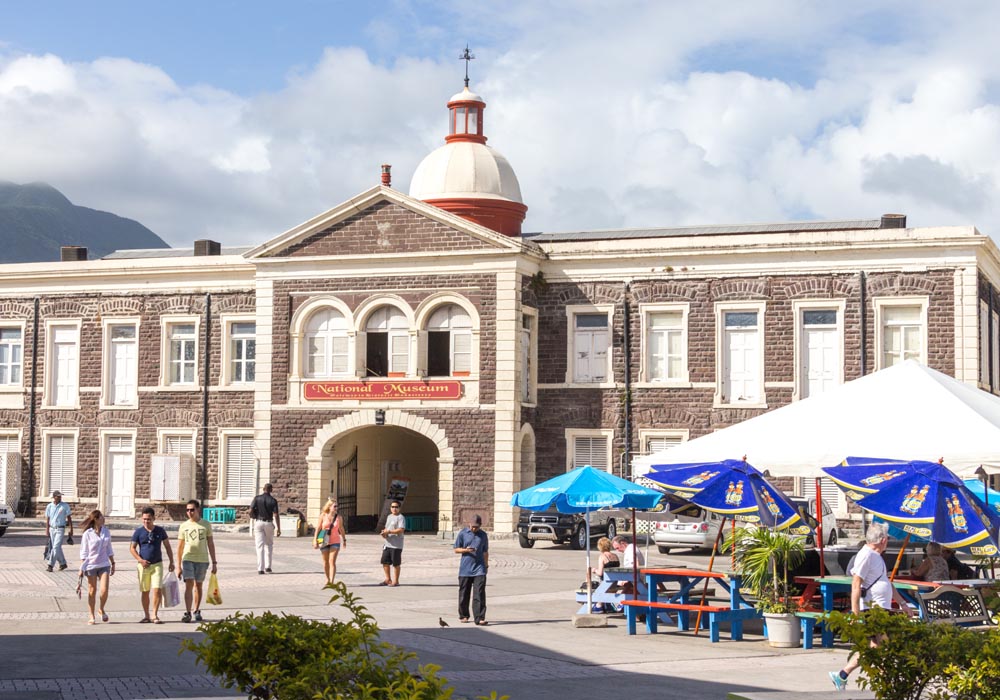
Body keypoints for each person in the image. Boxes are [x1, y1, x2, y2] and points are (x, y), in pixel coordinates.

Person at [829, 521, 916, 691]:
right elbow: (856, 584)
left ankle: (843, 674)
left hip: (880, 608)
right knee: (882, 645)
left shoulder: (876, 556)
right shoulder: (866, 555)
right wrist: (855, 613)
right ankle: (886, 684)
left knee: (876, 647)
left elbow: (886, 583)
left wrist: (903, 604)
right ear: (883, 540)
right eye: (887, 538)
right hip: (872, 608)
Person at [129, 507, 175, 624]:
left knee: (157, 590)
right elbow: (132, 548)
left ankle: (155, 614)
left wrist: (171, 561)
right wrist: (140, 560)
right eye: (144, 519)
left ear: (154, 518)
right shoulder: (138, 532)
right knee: (145, 591)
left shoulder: (160, 531)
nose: (146, 521)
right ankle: (146, 615)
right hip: (144, 566)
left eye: (148, 519)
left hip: (157, 564)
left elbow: (167, 546)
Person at [176, 499, 218, 624]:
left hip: (202, 559)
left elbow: (210, 543)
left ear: (198, 509)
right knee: (189, 584)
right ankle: (187, 612)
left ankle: (196, 610)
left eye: (192, 510)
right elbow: (180, 547)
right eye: (187, 510)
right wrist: (178, 565)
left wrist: (214, 562)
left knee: (198, 585)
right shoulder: (184, 526)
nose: (189, 512)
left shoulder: (206, 524)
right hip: (188, 558)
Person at [78, 510, 115, 624]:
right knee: (92, 591)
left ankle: (101, 609)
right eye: (102, 517)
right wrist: (81, 568)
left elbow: (109, 548)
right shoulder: (87, 534)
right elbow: (84, 552)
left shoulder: (106, 531)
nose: (104, 519)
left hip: (104, 564)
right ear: (96, 519)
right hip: (91, 565)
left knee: (104, 590)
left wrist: (113, 563)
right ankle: (91, 615)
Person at [454, 514, 489, 625]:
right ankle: (464, 615)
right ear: (469, 524)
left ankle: (479, 617)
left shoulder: (483, 535)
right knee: (464, 593)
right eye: (473, 526)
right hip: (465, 569)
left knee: (479, 593)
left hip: (479, 568)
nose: (474, 528)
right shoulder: (463, 533)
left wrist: (486, 565)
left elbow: (485, 552)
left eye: (477, 527)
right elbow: (456, 549)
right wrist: (466, 550)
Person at [313, 498, 347, 585]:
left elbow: (341, 528)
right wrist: (315, 539)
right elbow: (318, 528)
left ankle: (332, 581)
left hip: (335, 541)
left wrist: (344, 539)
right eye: (335, 506)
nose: (336, 508)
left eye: (337, 506)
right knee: (325, 562)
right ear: (329, 507)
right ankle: (327, 579)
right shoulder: (323, 516)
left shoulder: (339, 518)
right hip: (324, 540)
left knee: (332, 561)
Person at [250, 483, 281, 575]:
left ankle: (260, 568)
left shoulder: (257, 498)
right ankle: (268, 567)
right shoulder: (273, 500)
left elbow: (250, 510)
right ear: (271, 490)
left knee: (259, 546)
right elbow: (276, 514)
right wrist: (278, 528)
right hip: (268, 522)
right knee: (269, 545)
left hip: (259, 522)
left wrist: (253, 516)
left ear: (263, 489)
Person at [44, 490, 74, 572]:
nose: (60, 498)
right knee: (56, 548)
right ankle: (63, 563)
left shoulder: (65, 506)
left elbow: (69, 518)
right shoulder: (49, 506)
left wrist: (71, 529)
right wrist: (47, 530)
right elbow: (48, 518)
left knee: (56, 547)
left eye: (60, 496)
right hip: (52, 528)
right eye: (58, 496)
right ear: (54, 497)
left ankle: (50, 565)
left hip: (60, 529)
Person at [379, 500, 405, 586]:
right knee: (385, 562)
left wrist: (389, 531)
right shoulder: (389, 517)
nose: (394, 509)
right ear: (390, 508)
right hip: (387, 544)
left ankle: (396, 581)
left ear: (399, 508)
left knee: (396, 563)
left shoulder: (400, 517)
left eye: (396, 507)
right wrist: (384, 534)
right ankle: (388, 579)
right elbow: (387, 528)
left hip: (396, 545)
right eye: (392, 507)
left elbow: (401, 529)